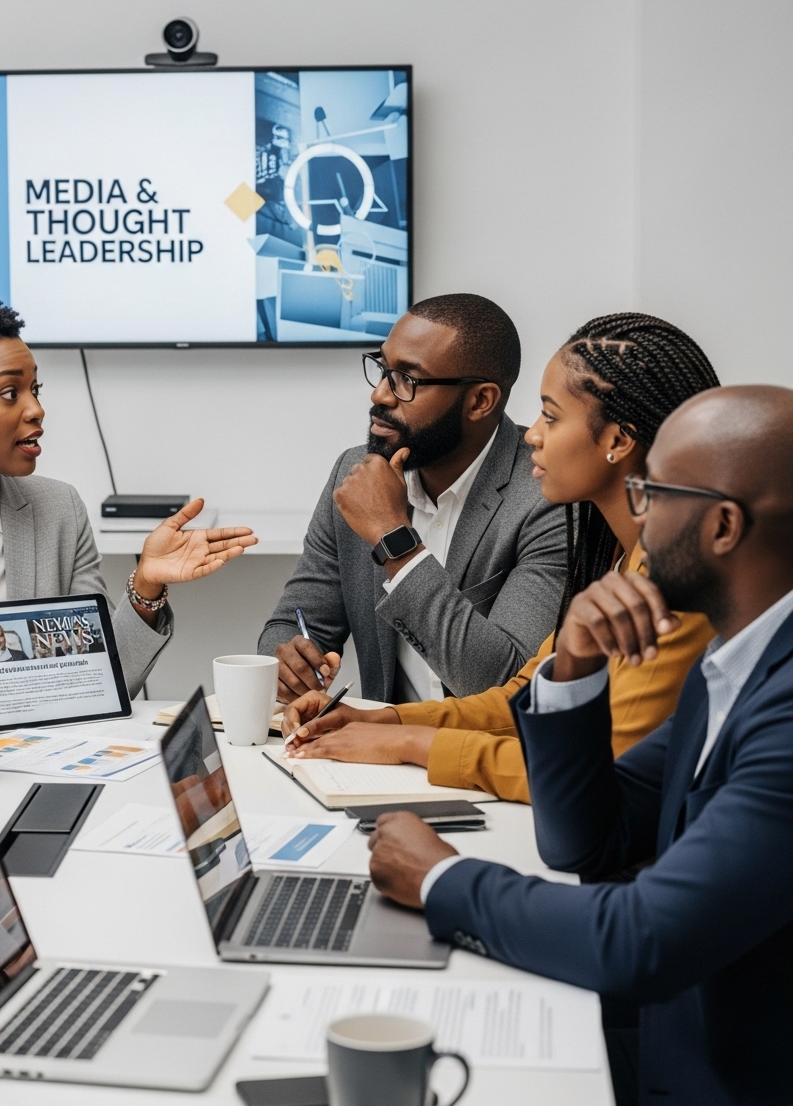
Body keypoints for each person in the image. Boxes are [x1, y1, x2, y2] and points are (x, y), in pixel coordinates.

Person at [366, 384, 793, 1106]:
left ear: (723, 527)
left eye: (654, 495)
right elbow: (586, 841)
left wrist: (440, 881)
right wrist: (573, 666)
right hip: (683, 1051)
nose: (639, 518)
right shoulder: (733, 664)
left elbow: (641, 939)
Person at [282, 314, 719, 803]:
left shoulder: (670, 586)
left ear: (618, 440)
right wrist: (386, 720)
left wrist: (409, 743)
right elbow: (525, 697)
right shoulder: (618, 556)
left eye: (551, 416)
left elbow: (602, 778)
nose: (533, 435)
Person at [0, 296, 257, 701]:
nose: (36, 409)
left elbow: (101, 679)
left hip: (30, 741)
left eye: (35, 389)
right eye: (10, 393)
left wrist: (146, 585)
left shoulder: (59, 511)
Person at [259, 293, 567, 703]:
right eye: (383, 369)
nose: (380, 395)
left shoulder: (549, 494)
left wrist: (393, 538)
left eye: (408, 379)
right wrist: (285, 659)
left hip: (484, 742)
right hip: (380, 737)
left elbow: (508, 687)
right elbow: (294, 622)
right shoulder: (356, 474)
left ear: (480, 401)